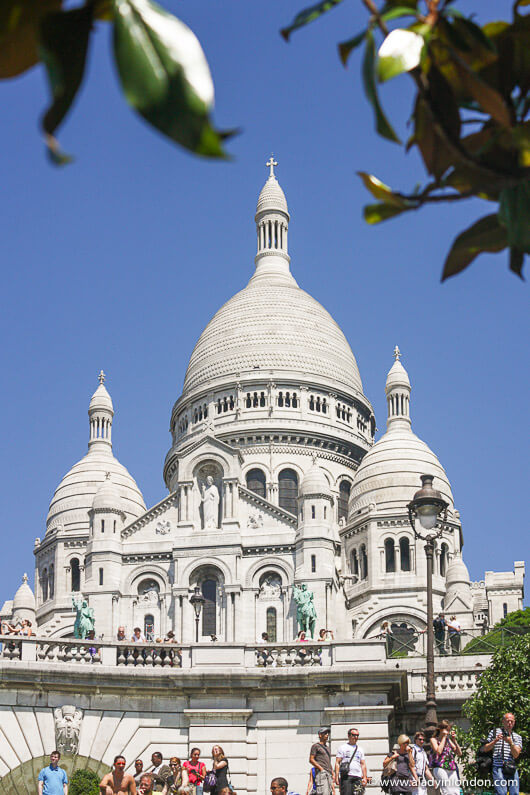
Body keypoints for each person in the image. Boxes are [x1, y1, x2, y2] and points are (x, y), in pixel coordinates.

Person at [482, 712, 522, 795]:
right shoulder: (494, 732)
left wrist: (511, 743)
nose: (509, 723)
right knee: (501, 793)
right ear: (503, 721)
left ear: (514, 722)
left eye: (512, 721)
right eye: (507, 721)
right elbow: (485, 749)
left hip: (512, 768)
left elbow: (516, 754)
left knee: (514, 792)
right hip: (498, 767)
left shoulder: (517, 737)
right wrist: (495, 741)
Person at [429, 720, 461, 795]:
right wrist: (444, 737)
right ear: (441, 729)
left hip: (451, 767)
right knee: (447, 791)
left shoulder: (448, 740)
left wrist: (454, 740)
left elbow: (459, 753)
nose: (448, 732)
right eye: (447, 730)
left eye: (449, 730)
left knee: (456, 792)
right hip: (440, 767)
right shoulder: (433, 740)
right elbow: (438, 751)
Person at [335, 727, 368, 795]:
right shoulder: (343, 747)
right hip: (346, 777)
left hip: (358, 777)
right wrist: (336, 776)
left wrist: (365, 777)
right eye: (354, 735)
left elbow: (363, 764)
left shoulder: (360, 749)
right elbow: (337, 762)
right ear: (349, 735)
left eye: (357, 735)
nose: (356, 737)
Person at [309, 727, 334, 795]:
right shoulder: (316, 746)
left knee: (329, 792)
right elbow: (311, 759)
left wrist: (332, 772)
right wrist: (321, 769)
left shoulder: (327, 748)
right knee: (323, 792)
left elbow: (328, 761)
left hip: (329, 773)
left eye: (328, 733)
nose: (327, 735)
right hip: (321, 773)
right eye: (325, 733)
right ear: (320, 735)